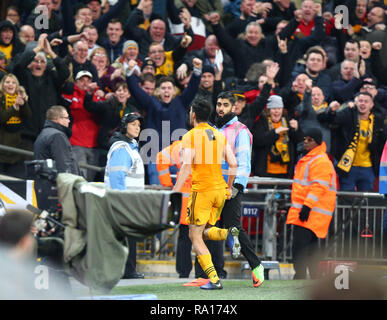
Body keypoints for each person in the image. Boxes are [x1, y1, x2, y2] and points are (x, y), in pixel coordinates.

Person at [172, 98, 238, 290]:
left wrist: (175, 190)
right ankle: (229, 234)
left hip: (202, 191)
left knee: (194, 236)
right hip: (219, 190)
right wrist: (229, 187)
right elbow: (233, 164)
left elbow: (186, 166)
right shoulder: (218, 134)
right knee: (206, 233)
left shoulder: (190, 136)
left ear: (193, 114)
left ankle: (214, 280)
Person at [214, 91, 266, 287]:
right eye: (219, 104)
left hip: (229, 187)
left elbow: (244, 162)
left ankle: (256, 266)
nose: (220, 108)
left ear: (234, 108)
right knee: (207, 228)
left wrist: (237, 186)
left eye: (225, 105)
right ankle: (209, 273)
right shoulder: (214, 129)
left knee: (233, 228)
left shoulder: (240, 130)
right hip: (212, 185)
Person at [156, 139, 227, 280]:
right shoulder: (211, 145)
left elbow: (161, 157)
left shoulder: (179, 146)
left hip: (186, 199)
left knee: (186, 237)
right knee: (209, 236)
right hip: (208, 197)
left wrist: (168, 184)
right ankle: (212, 271)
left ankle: (184, 273)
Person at [286, 127, 337, 279]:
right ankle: (312, 276)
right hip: (309, 212)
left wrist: (307, 206)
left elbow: (318, 186)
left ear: (317, 142)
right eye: (305, 139)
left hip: (310, 212)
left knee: (301, 247)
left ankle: (301, 275)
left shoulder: (320, 161)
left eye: (310, 140)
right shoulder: (312, 159)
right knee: (309, 248)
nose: (305, 142)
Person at [104, 112, 145, 279]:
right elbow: (116, 176)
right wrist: (121, 201)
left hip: (128, 200)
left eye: (139, 125)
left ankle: (127, 270)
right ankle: (126, 271)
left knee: (127, 237)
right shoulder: (122, 148)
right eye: (133, 124)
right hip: (123, 201)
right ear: (124, 126)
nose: (137, 127)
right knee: (126, 237)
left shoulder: (130, 146)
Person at [321, 92, 386, 191]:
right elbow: (332, 119)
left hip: (368, 167)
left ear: (372, 104)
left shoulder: (378, 120)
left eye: (366, 101)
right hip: (348, 166)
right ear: (355, 103)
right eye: (360, 101)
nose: (363, 104)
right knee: (347, 199)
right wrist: (331, 111)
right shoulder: (348, 114)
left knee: (366, 201)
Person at [33, 105, 80, 210]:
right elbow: (63, 165)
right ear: (58, 119)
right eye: (67, 118)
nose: (69, 121)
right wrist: (72, 187)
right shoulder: (57, 136)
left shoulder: (44, 133)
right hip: (56, 189)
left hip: (45, 186)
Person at [0, 74, 31, 178]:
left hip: (16, 147)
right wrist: (14, 107)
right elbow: (2, 118)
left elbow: (28, 115)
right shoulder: (1, 98)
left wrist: (24, 103)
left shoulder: (19, 97)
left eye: (13, 82)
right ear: (2, 84)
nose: (10, 85)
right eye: (7, 82)